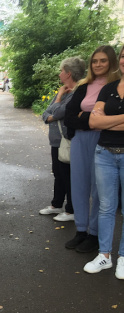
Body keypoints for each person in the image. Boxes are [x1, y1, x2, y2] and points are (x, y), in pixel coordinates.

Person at [64, 45, 120, 253]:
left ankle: (94, 234)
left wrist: (85, 118)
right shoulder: (83, 86)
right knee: (78, 185)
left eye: (103, 60)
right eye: (95, 61)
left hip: (103, 141)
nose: (98, 65)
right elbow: (69, 117)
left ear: (111, 62)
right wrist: (95, 120)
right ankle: (81, 230)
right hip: (80, 140)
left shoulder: (115, 87)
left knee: (99, 190)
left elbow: (109, 119)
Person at [84, 45, 124, 276]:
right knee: (106, 207)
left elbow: (101, 120)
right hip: (104, 153)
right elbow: (93, 123)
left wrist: (107, 119)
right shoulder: (108, 88)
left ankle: (123, 257)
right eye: (123, 56)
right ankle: (105, 255)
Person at [39, 57, 86, 222]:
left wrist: (57, 99)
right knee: (58, 174)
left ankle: (71, 209)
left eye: (62, 71)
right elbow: (45, 114)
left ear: (69, 74)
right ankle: (56, 204)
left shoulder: (77, 92)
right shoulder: (64, 90)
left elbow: (58, 112)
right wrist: (54, 107)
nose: (59, 74)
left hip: (66, 140)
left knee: (68, 176)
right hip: (56, 141)